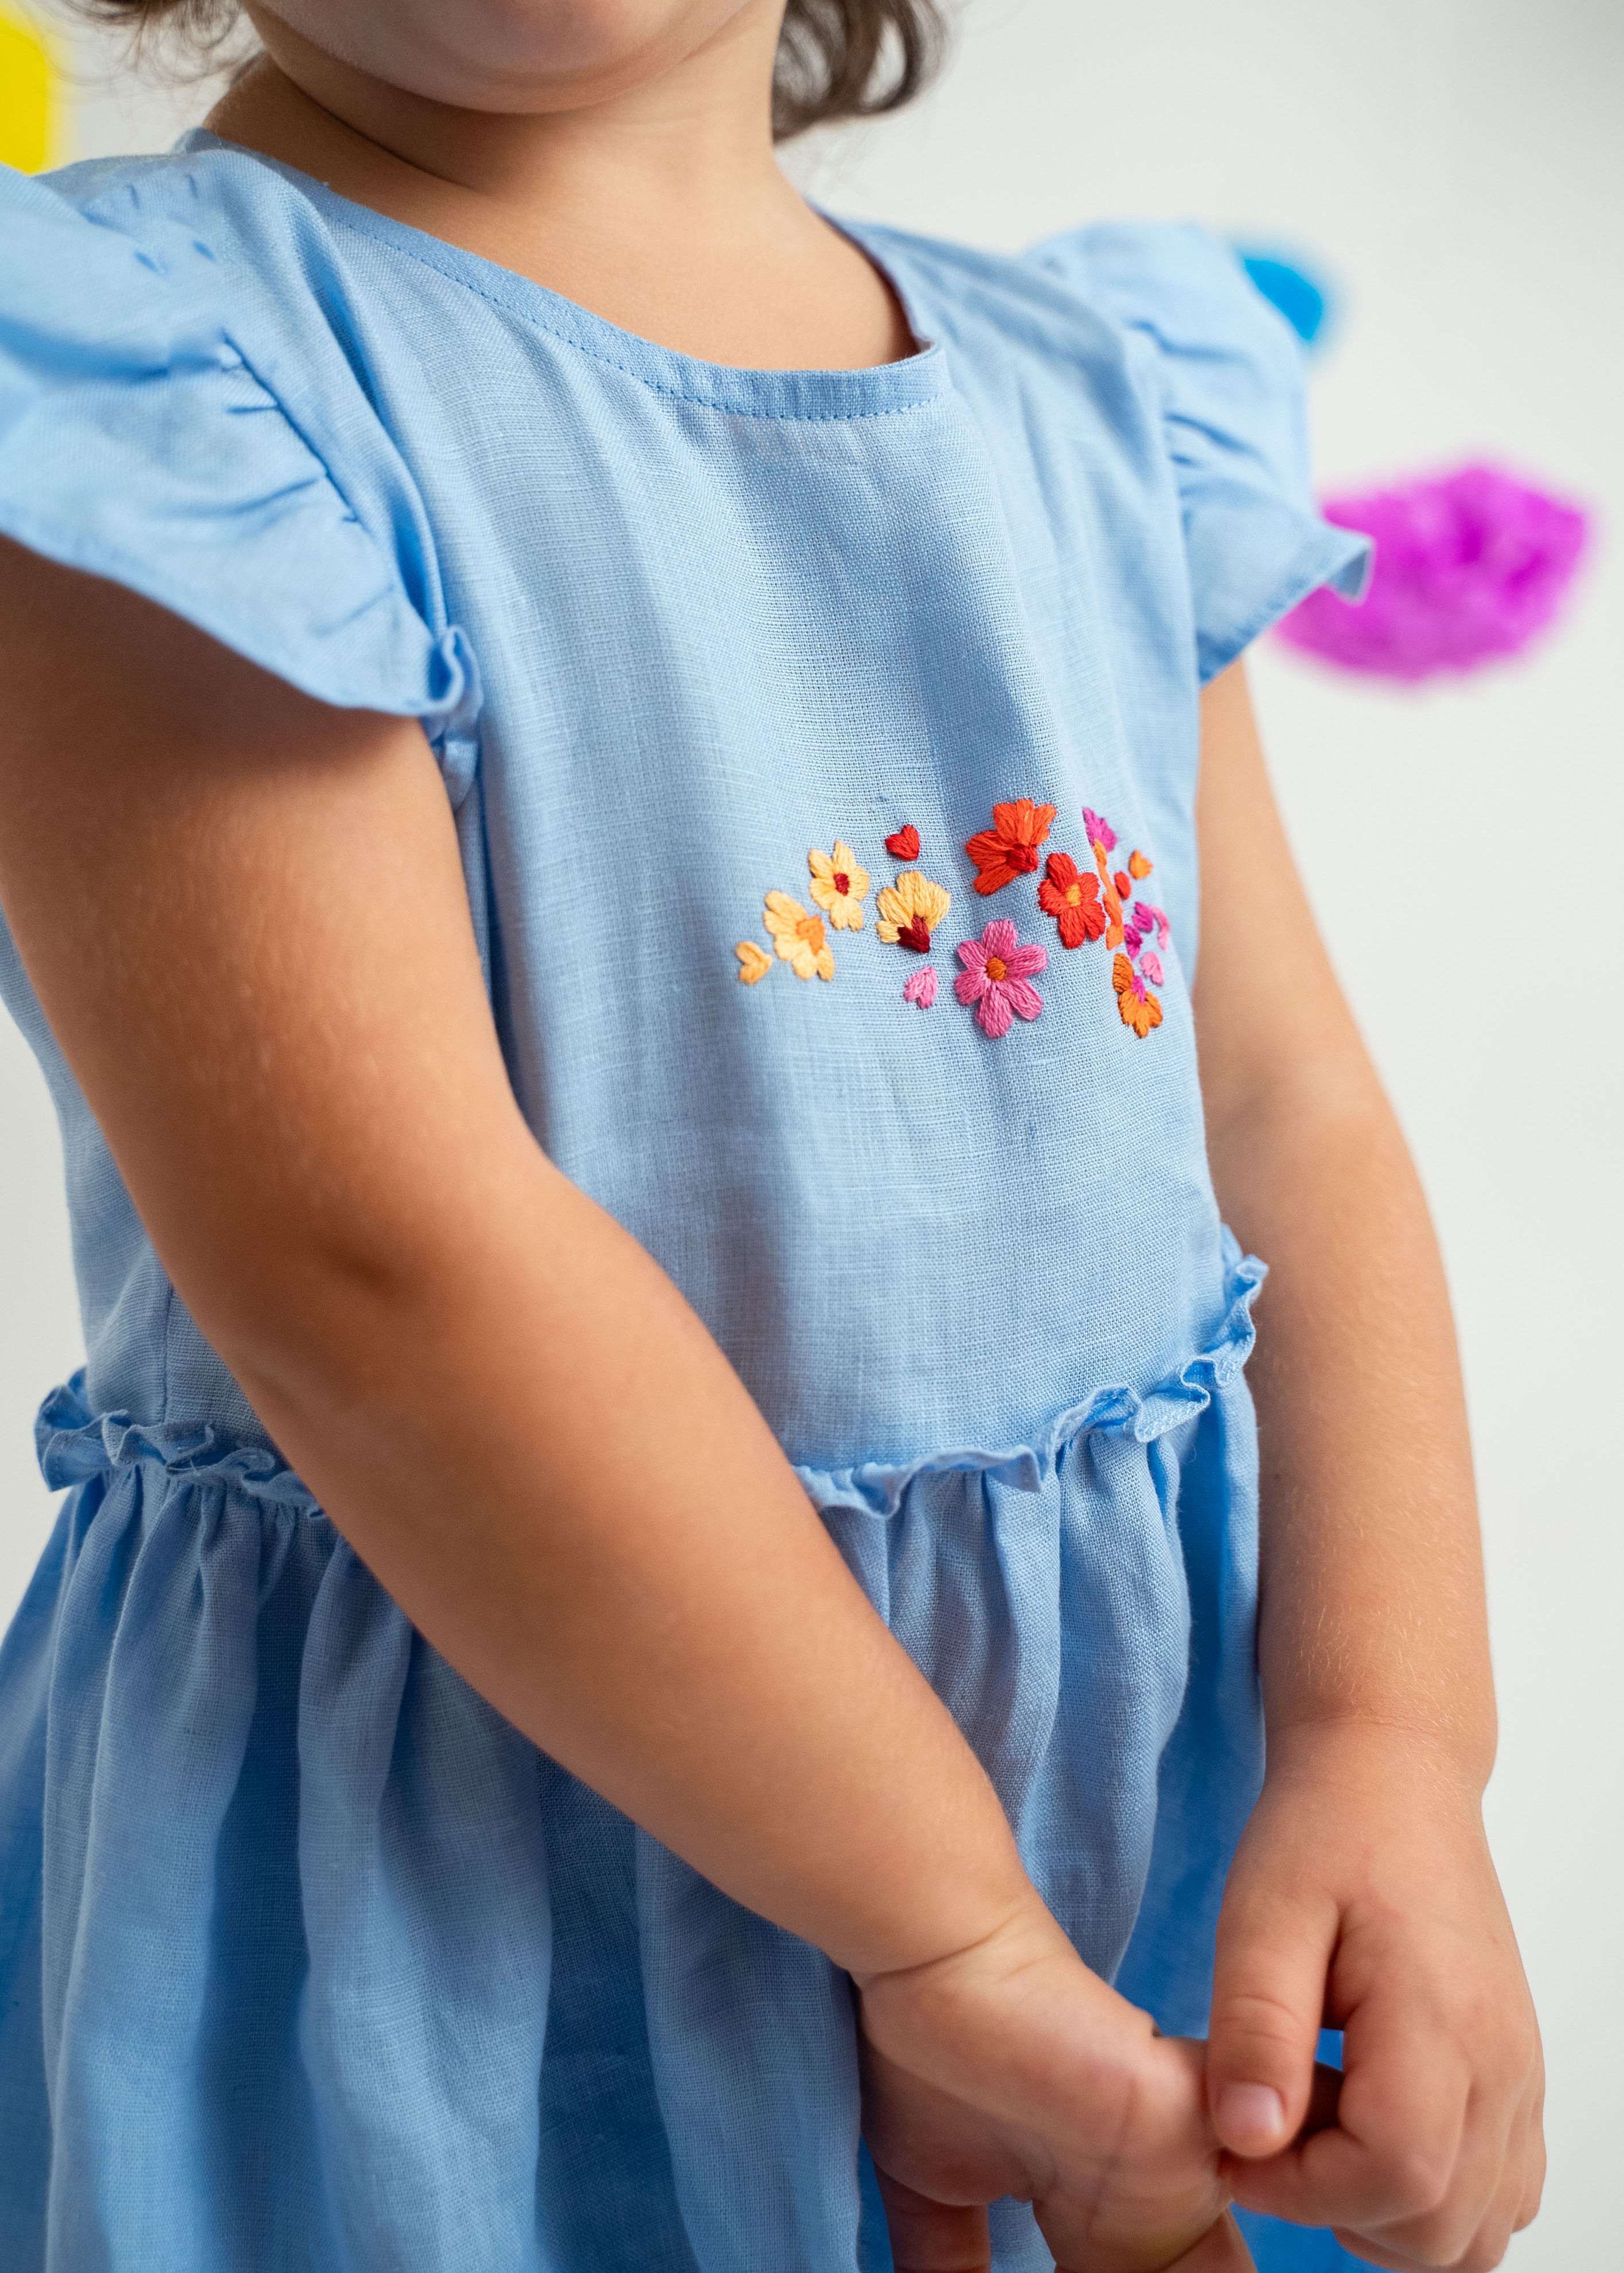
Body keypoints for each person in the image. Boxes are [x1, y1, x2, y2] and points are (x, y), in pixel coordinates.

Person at [0, 3, 1545, 2268]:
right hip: (475, 1911)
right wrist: (942, 1933)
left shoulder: (1101, 398)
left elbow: (1283, 1107)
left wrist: (1395, 1740)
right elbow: (383, 1272)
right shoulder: (155, 381)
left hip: (1130, 1851)